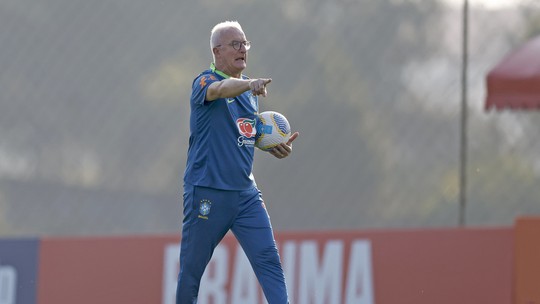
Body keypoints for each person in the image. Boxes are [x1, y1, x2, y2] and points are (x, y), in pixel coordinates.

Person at [176, 20, 298, 304]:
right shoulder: (204, 82)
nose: (242, 49)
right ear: (217, 51)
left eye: (245, 43)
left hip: (245, 196)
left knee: (269, 260)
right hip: (207, 192)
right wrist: (247, 85)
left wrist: (272, 145)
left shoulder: (249, 96)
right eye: (235, 44)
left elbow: (245, 132)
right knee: (192, 272)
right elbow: (221, 90)